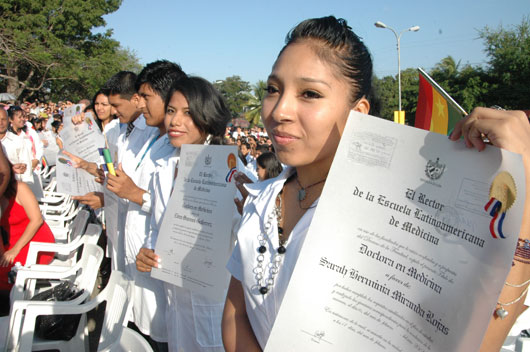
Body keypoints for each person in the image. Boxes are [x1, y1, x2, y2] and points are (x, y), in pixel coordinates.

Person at [222, 16, 530, 352]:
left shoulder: (393, 218)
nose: (279, 110)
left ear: (359, 111)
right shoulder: (261, 198)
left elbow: (469, 341)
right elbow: (236, 313)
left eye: (309, 93)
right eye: (273, 89)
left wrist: (522, 190)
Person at [135, 76, 233, 352]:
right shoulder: (164, 169)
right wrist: (149, 250)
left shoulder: (231, 175)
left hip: (213, 308)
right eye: (171, 111)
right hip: (176, 304)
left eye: (188, 113)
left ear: (208, 117)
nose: (175, 121)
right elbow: (158, 227)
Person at [0, 166, 55, 291]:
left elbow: (37, 220)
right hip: (11, 241)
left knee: (5, 271)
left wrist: (15, 250)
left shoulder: (20, 188)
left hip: (34, 241)